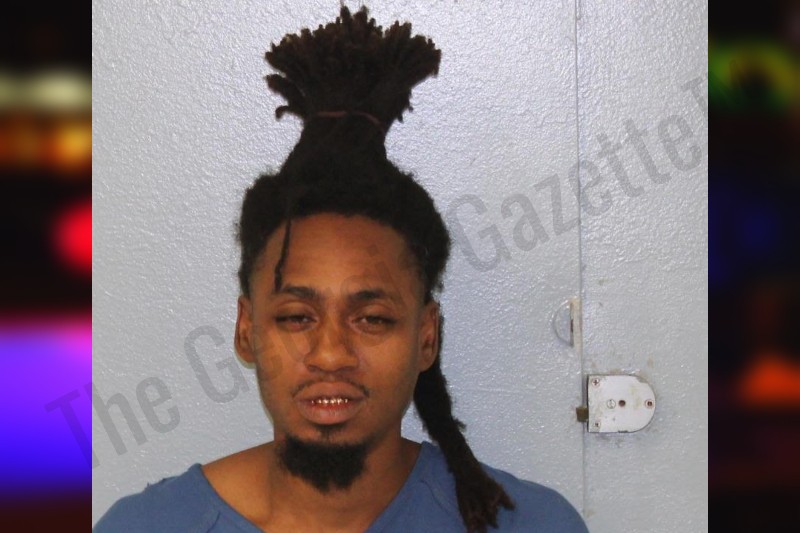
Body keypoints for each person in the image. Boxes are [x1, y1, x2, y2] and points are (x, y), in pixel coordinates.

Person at [94, 6, 588, 533]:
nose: (330, 355)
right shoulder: (145, 526)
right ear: (246, 330)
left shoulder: (532, 524)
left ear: (427, 337)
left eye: (372, 319)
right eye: (295, 317)